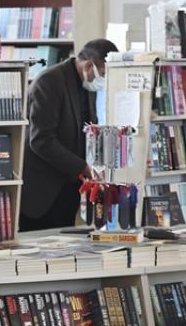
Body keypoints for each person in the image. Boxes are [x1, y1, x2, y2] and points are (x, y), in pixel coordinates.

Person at [20, 39, 119, 232]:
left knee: (65, 242)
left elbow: (87, 126)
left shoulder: (87, 84)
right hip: (42, 190)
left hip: (69, 187)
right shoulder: (49, 81)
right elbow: (41, 140)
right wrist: (83, 167)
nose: (103, 81)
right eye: (103, 74)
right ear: (89, 66)